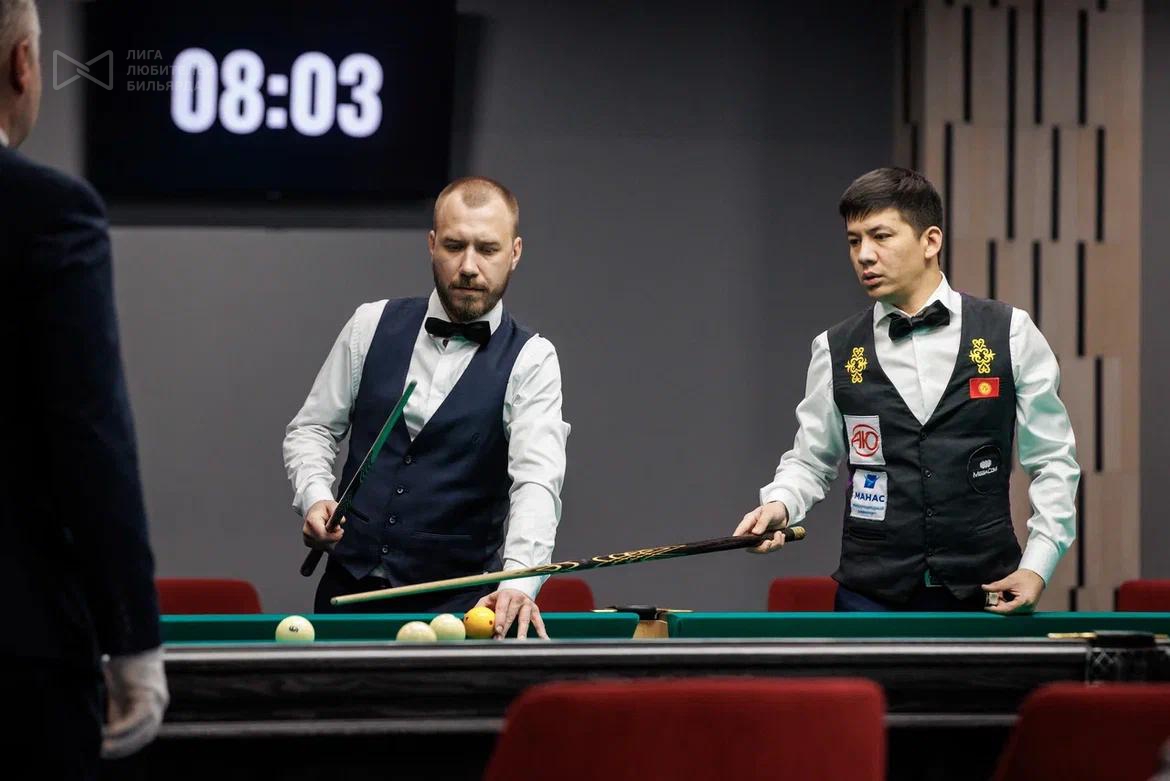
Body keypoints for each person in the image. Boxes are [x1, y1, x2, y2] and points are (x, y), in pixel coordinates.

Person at [733, 167, 1079, 613]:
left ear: (930, 241)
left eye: (881, 236)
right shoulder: (834, 348)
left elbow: (1052, 461)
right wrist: (779, 504)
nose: (864, 255)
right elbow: (811, 460)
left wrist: (1037, 565)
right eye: (854, 241)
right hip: (869, 596)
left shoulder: (1010, 332)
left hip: (989, 591)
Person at [284, 176, 570, 638]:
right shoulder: (369, 324)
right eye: (455, 246)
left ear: (515, 253)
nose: (469, 266)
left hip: (459, 613)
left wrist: (520, 580)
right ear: (432, 244)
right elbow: (312, 429)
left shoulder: (532, 359)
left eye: (488, 249)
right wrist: (315, 495)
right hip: (346, 594)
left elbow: (537, 481)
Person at [0, 0, 168, 776]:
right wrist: (133, 642)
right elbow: (89, 436)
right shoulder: (47, 211)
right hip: (17, 659)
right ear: (22, 65)